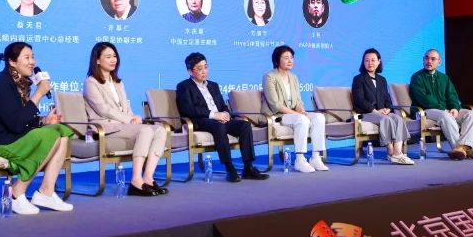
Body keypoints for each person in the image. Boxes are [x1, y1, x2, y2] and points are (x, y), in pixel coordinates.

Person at [0, 42, 74, 215]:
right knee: (49, 136)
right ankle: (16, 193)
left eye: (33, 57)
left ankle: (46, 192)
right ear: (12, 62)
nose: (32, 62)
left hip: (8, 135)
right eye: (27, 58)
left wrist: (44, 121)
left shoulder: (19, 84)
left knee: (62, 132)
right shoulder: (2, 84)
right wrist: (39, 93)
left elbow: (19, 119)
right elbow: (16, 124)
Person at [83, 42, 169, 196]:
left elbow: (125, 106)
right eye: (108, 57)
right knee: (146, 130)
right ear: (97, 60)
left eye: (114, 56)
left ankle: (148, 178)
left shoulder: (118, 82)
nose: (113, 60)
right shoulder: (91, 82)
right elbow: (103, 110)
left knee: (161, 130)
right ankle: (136, 180)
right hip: (106, 126)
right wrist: (128, 120)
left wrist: (133, 117)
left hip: (122, 124)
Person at [175, 52, 269, 182]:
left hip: (220, 119)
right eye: (200, 68)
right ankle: (230, 169)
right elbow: (188, 109)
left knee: (245, 125)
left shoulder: (214, 85)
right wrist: (214, 115)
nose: (204, 71)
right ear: (190, 72)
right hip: (202, 121)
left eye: (206, 67)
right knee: (219, 127)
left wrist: (226, 113)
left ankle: (248, 167)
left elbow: (222, 105)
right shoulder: (184, 86)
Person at [262, 45, 328, 173]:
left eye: (291, 57)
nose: (290, 60)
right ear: (277, 60)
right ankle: (300, 160)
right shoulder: (269, 77)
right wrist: (299, 115)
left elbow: (298, 100)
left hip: (293, 114)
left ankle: (315, 157)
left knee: (319, 117)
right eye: (286, 58)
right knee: (302, 120)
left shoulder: (293, 77)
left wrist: (302, 111)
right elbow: (275, 104)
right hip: (278, 115)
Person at [409, 49, 473, 160]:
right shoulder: (417, 77)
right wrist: (445, 109)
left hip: (445, 109)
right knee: (444, 115)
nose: (429, 61)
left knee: (470, 114)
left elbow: (452, 95)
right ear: (423, 60)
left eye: (433, 59)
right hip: (425, 110)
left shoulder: (444, 78)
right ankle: (460, 148)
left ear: (439, 62)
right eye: (426, 58)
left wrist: (454, 108)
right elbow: (425, 100)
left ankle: (462, 148)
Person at [351, 48, 413, 165]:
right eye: (367, 60)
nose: (370, 63)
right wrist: (375, 111)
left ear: (379, 61)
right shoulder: (358, 79)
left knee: (398, 118)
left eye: (373, 60)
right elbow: (359, 100)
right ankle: (391, 152)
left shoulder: (382, 80)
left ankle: (398, 152)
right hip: (365, 113)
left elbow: (387, 98)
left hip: (381, 112)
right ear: (363, 62)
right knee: (386, 119)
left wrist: (388, 108)